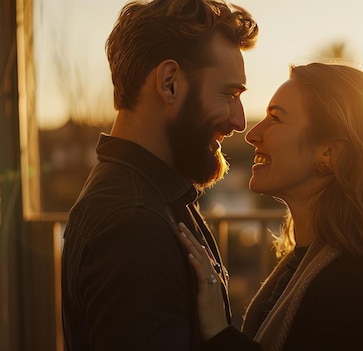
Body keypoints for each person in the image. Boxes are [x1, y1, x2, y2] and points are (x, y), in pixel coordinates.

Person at [178, 62, 363, 350]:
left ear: (329, 153)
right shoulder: (308, 265)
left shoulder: (354, 289)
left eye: (276, 118)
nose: (252, 134)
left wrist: (219, 331)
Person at [60, 0, 258, 349]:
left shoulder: (150, 198)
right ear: (169, 83)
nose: (240, 122)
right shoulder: (132, 223)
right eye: (229, 93)